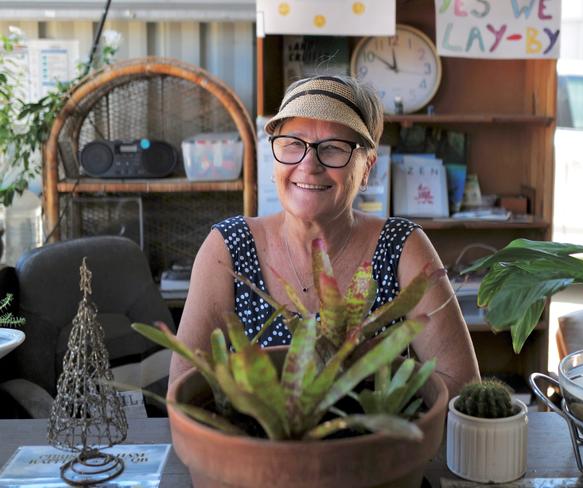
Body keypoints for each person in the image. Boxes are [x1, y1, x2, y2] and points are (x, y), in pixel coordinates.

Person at [170, 74, 479, 397]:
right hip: (255, 444)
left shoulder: (400, 246)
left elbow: (461, 388)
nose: (309, 164)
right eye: (293, 144)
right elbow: (183, 392)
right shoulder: (229, 247)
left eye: (332, 149)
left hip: (375, 446)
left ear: (367, 168)